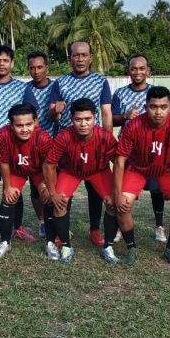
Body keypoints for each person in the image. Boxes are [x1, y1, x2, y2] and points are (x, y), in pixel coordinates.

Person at [113, 86, 170, 267]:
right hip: (137, 169)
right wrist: (117, 194)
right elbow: (119, 161)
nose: (158, 112)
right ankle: (131, 247)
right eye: (153, 107)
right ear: (146, 106)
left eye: (163, 107)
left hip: (166, 169)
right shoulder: (134, 125)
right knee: (122, 205)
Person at [48, 41, 113, 248]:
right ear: (70, 58)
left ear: (91, 57)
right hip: (67, 146)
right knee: (64, 192)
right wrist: (56, 110)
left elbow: (106, 112)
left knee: (95, 192)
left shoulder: (100, 81)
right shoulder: (60, 83)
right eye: (76, 55)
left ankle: (94, 229)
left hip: (94, 144)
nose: (80, 59)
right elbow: (51, 115)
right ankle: (63, 231)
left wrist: (107, 140)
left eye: (84, 55)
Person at [0, 45, 38, 245]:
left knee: (13, 189)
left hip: (14, 150)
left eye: (5, 60)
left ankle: (17, 227)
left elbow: (33, 117)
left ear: (12, 63)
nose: (1, 64)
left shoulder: (23, 88)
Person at [44, 98, 119, 264]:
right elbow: (49, 165)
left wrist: (119, 189)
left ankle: (108, 246)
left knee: (113, 203)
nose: (83, 124)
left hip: (99, 171)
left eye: (87, 119)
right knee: (59, 203)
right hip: (71, 172)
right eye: (78, 119)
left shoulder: (105, 136)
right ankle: (66, 245)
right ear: (71, 119)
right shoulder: (64, 136)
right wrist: (52, 192)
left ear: (95, 118)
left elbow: (119, 163)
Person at [112, 54, 170, 243]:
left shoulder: (157, 93)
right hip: (129, 149)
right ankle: (120, 226)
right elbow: (112, 119)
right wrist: (125, 116)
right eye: (134, 68)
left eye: (142, 68)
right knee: (126, 191)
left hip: (154, 149)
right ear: (128, 71)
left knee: (156, 190)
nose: (138, 72)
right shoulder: (120, 93)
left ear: (148, 70)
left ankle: (159, 226)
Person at [0, 104, 54, 259]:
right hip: (16, 170)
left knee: (48, 197)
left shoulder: (43, 137)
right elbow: (3, 162)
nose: (25, 129)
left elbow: (48, 165)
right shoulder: (3, 134)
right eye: (19, 125)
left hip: (38, 170)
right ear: (11, 125)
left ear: (35, 122)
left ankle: (50, 242)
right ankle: (5, 242)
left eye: (29, 124)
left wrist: (47, 186)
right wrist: (7, 186)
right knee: (8, 198)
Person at [23, 50, 58, 239]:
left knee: (54, 185)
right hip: (31, 146)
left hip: (54, 145)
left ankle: (57, 221)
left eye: (39, 67)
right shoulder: (24, 89)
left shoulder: (57, 86)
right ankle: (42, 221)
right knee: (35, 188)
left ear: (47, 68)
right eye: (32, 68)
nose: (36, 71)